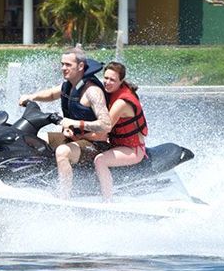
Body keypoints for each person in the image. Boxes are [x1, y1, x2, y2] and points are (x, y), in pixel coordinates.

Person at [18, 46, 111, 198]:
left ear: (81, 66)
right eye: (62, 64)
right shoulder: (69, 84)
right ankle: (33, 180)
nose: (63, 68)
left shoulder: (92, 91)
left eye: (68, 65)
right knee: (34, 139)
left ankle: (64, 197)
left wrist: (76, 124)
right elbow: (50, 94)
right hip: (73, 138)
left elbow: (106, 125)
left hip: (94, 145)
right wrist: (31, 97)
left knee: (63, 152)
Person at [93, 61, 148, 201]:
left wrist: (79, 129)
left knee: (100, 161)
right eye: (105, 78)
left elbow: (103, 130)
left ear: (121, 81)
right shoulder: (111, 92)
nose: (107, 82)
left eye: (112, 80)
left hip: (133, 149)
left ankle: (107, 201)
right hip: (118, 145)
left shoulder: (121, 103)